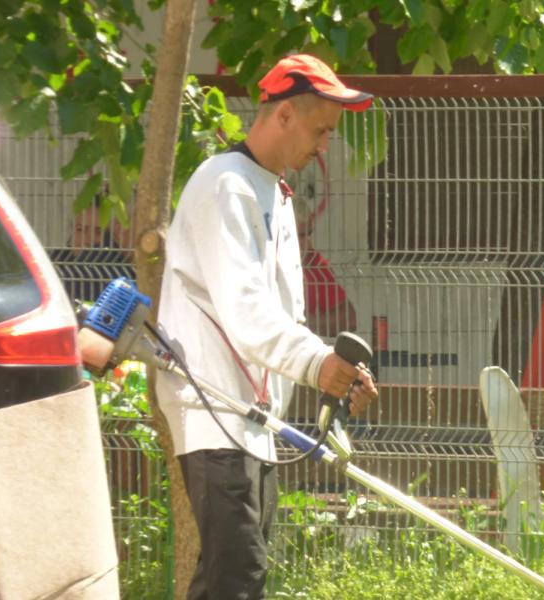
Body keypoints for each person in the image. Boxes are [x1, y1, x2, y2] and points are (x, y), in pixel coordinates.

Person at [154, 54, 379, 600]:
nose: (324, 146)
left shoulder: (270, 191)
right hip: (213, 410)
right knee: (238, 578)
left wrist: (335, 372)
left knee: (231, 579)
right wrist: (318, 364)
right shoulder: (226, 185)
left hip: (251, 419)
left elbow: (281, 316)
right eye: (320, 130)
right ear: (283, 114)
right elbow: (246, 309)